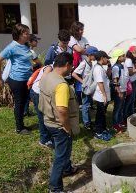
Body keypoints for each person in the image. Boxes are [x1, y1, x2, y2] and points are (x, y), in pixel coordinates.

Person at [39, 52, 79, 192]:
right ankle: (55, 188)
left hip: (47, 121)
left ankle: (68, 169)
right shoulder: (61, 85)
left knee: (63, 149)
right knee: (60, 156)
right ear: (67, 65)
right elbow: (62, 110)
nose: (72, 69)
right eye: (72, 66)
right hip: (59, 125)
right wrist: (67, 128)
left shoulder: (46, 76)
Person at [0, 23, 34, 134]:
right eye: (26, 33)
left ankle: (21, 124)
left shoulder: (25, 45)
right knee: (19, 103)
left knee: (24, 101)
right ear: (19, 35)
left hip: (26, 78)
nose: (28, 35)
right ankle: (19, 128)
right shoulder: (12, 47)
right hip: (17, 80)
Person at [72, 46, 98, 129]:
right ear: (90, 55)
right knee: (85, 105)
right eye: (95, 55)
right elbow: (74, 74)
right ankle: (86, 123)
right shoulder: (84, 63)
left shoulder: (92, 63)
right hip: (85, 88)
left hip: (90, 87)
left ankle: (89, 121)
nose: (96, 56)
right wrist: (83, 82)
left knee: (89, 104)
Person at [93, 51, 112, 141]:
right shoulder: (98, 69)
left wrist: (109, 67)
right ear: (102, 58)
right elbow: (100, 83)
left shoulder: (101, 68)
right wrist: (104, 95)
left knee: (102, 113)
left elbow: (107, 77)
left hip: (103, 95)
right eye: (106, 58)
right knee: (100, 114)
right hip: (101, 96)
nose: (107, 59)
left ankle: (103, 129)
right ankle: (98, 132)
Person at [69, 21, 89, 104]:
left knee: (85, 82)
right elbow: (78, 49)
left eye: (82, 29)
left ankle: (86, 101)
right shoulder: (71, 39)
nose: (82, 31)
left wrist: (83, 50)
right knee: (77, 83)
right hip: (75, 64)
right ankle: (78, 101)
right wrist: (84, 50)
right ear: (75, 30)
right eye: (80, 29)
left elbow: (89, 49)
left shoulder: (84, 39)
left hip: (85, 63)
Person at [24, 34, 41, 116]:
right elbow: (39, 63)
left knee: (25, 94)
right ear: (30, 42)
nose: (37, 42)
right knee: (28, 93)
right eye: (35, 40)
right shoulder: (31, 52)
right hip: (29, 75)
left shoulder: (24, 50)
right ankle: (25, 111)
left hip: (23, 75)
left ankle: (25, 111)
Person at [111, 49, 127, 133]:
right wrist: (119, 92)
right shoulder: (116, 67)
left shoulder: (121, 66)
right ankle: (115, 124)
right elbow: (115, 80)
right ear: (118, 58)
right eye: (123, 56)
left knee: (121, 107)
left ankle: (120, 122)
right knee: (117, 108)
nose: (125, 57)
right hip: (119, 91)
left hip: (123, 90)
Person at [124, 45, 136, 118]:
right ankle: (128, 115)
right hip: (131, 81)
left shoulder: (132, 59)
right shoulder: (128, 61)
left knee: (133, 98)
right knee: (130, 100)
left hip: (134, 80)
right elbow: (131, 73)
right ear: (131, 53)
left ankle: (131, 113)